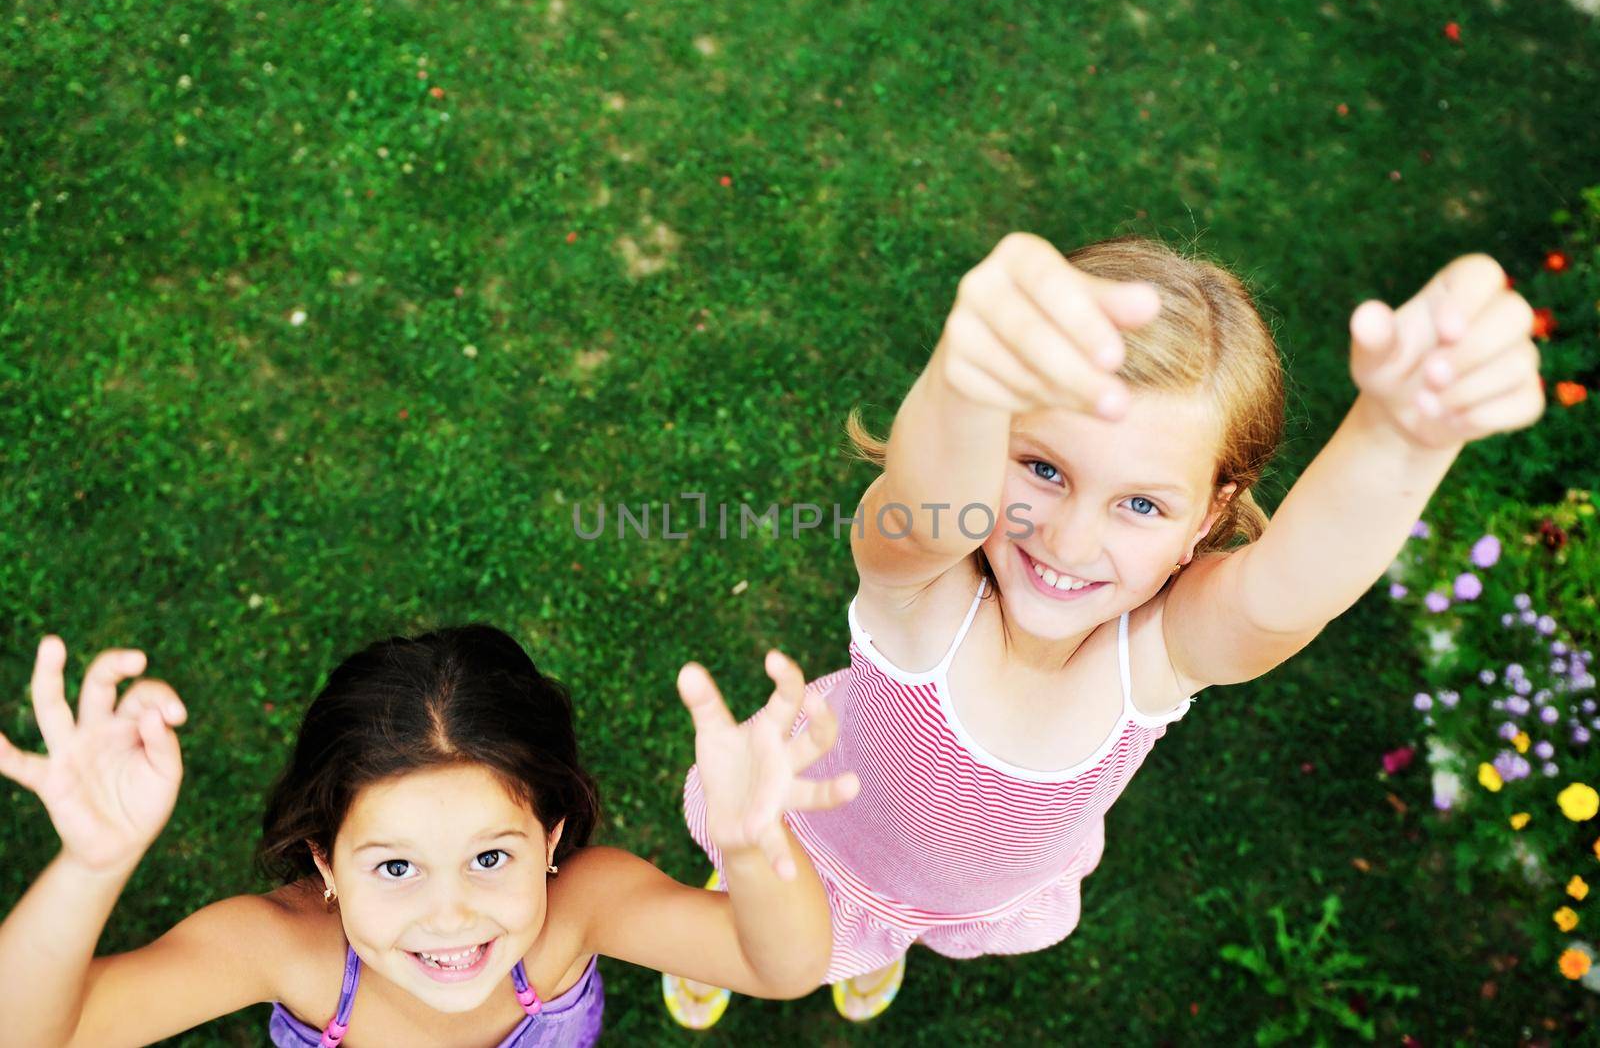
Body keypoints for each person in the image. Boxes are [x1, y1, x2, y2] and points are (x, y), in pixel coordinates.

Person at [663, 231, 1544, 1025]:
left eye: (1140, 503)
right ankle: (734, 928)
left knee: (889, 936)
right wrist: (964, 382)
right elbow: (927, 511)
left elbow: (1281, 597)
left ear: (1209, 515)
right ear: (991, 441)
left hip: (974, 892)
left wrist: (1401, 437)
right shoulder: (921, 596)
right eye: (1042, 466)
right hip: (821, 838)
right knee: (763, 929)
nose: (1070, 538)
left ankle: (884, 945)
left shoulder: (1157, 656)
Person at [0, 623, 858, 1045]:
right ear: (323, 860)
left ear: (551, 839)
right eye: (397, 865)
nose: (450, 915)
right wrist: (92, 863)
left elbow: (780, 967)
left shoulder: (579, 907)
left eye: (491, 856)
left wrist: (749, 850)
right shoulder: (282, 950)